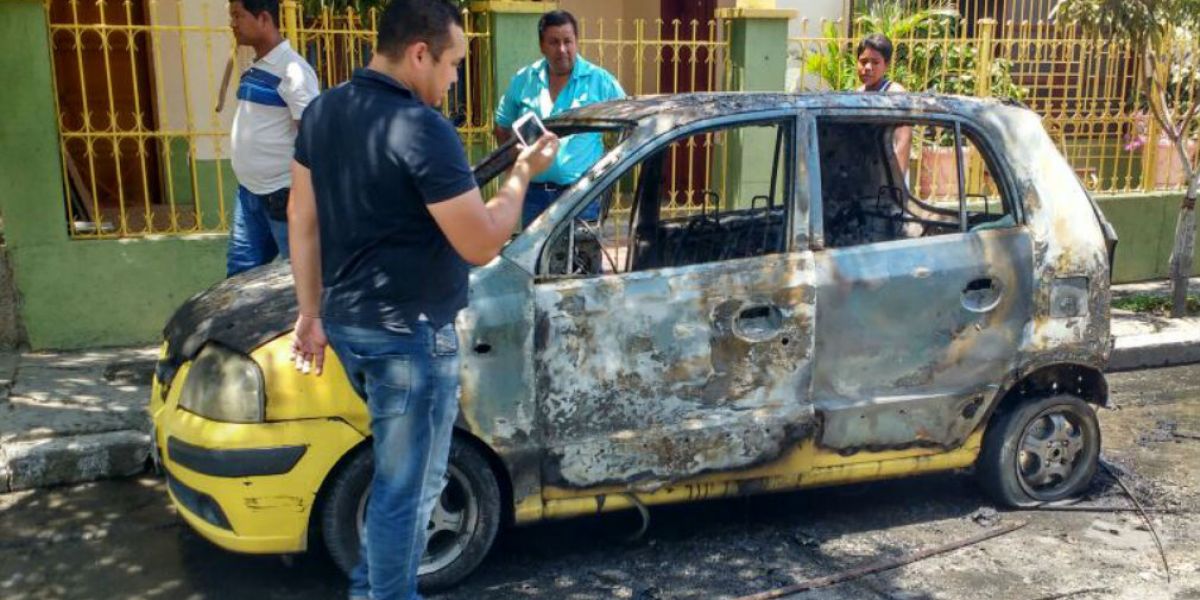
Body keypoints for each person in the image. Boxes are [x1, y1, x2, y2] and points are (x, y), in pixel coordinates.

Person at [287, 1, 558, 598]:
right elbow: (482, 242)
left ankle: (374, 589)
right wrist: (522, 175)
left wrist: (309, 313)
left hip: (351, 327)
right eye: (454, 63)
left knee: (395, 482)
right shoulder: (420, 128)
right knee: (407, 492)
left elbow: (300, 219)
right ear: (418, 54)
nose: (455, 77)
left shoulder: (324, 112)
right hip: (408, 340)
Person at [494, 9, 625, 227]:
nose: (562, 49)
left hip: (581, 196)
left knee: (580, 260)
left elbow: (629, 126)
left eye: (568, 41)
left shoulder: (601, 81)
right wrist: (516, 163)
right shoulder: (524, 80)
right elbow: (502, 126)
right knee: (533, 260)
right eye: (554, 42)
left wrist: (606, 171)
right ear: (542, 45)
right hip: (533, 197)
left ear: (577, 42)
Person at [226, 0, 319, 277]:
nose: (232, 23)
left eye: (238, 16)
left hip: (282, 196)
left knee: (298, 280)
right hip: (249, 194)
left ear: (264, 18)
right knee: (240, 280)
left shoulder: (294, 71)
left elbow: (312, 138)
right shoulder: (257, 66)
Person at [855, 33, 912, 176]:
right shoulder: (857, 94)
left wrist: (894, 186)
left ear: (886, 65)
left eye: (875, 62)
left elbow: (903, 142)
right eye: (863, 61)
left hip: (887, 179)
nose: (868, 67)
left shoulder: (895, 94)